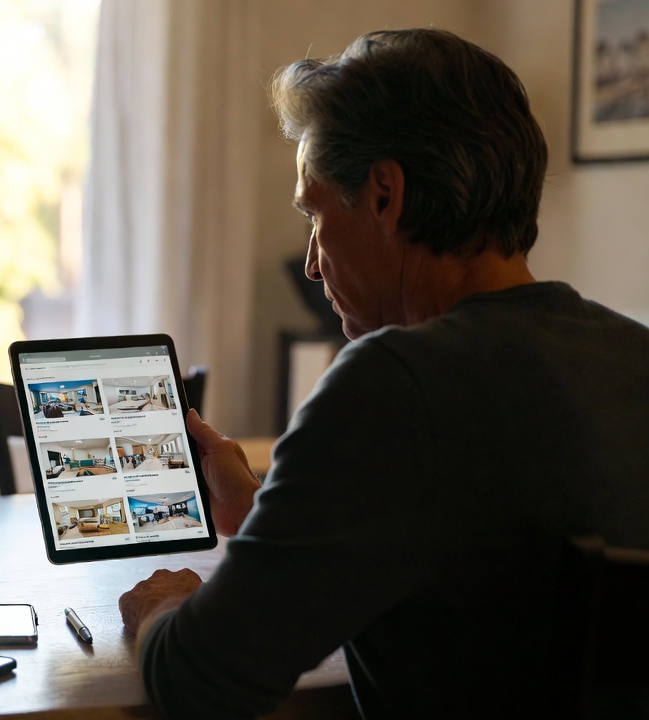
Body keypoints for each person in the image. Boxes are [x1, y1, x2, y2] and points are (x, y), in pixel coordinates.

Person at [118, 28, 649, 719]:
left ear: (385, 197)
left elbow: (202, 680)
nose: (311, 262)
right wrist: (260, 514)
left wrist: (164, 607)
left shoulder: (394, 384)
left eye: (314, 212)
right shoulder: (633, 360)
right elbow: (465, 565)